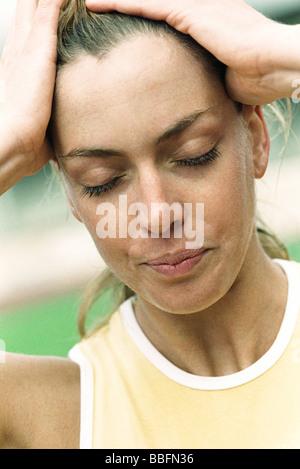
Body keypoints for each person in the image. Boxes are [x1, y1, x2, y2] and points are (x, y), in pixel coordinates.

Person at [0, 0, 299, 450]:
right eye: (102, 183)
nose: (157, 215)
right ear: (71, 196)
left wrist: (283, 50)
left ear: (256, 137)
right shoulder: (52, 415)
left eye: (193, 155)